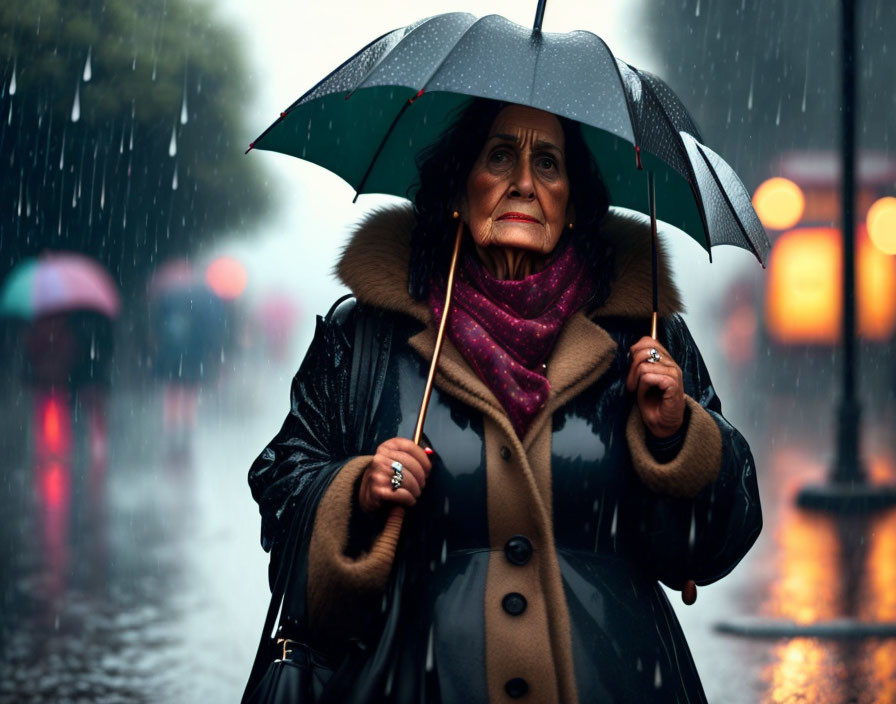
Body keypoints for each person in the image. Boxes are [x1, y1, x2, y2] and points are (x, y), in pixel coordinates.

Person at [248, 99, 762, 703]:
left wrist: (677, 434)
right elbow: (283, 486)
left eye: (548, 163)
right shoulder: (364, 337)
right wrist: (358, 489)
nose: (523, 182)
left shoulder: (644, 336)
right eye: (499, 157)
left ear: (573, 200)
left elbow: (718, 539)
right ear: (459, 186)